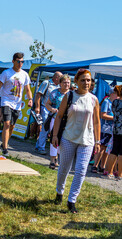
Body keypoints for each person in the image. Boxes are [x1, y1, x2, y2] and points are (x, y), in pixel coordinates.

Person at [52, 69, 100, 213]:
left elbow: (97, 122)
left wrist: (97, 141)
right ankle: (59, 192)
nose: (86, 83)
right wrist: (55, 135)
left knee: (80, 171)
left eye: (89, 80)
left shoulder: (94, 99)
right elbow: (59, 116)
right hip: (68, 138)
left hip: (87, 140)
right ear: (77, 82)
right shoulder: (69, 96)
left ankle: (71, 200)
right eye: (83, 80)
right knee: (64, 169)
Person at [0, 52, 33, 156]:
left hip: (17, 104)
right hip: (6, 101)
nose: (20, 63)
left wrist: (30, 99)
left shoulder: (24, 74)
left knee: (12, 126)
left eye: (22, 61)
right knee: (6, 123)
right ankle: (5, 149)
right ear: (13, 61)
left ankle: (4, 143)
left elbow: (28, 89)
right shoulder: (6, 73)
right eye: (18, 61)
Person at [45, 74, 70, 169]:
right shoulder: (55, 93)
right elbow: (47, 104)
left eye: (68, 82)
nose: (66, 84)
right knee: (54, 138)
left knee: (63, 140)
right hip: (55, 118)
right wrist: (52, 109)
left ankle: (58, 159)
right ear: (60, 83)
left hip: (67, 121)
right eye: (64, 82)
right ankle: (52, 159)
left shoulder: (71, 94)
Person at [35, 71, 63, 155]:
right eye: (60, 78)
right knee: (45, 128)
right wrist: (37, 107)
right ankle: (41, 147)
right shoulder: (46, 83)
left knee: (47, 128)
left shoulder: (59, 86)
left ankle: (38, 145)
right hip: (45, 108)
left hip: (53, 110)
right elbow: (38, 95)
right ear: (56, 77)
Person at [91, 89, 118, 173]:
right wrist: (115, 118)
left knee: (107, 149)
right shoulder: (106, 102)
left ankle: (102, 166)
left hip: (111, 130)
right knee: (102, 147)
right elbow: (103, 115)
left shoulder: (115, 103)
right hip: (104, 129)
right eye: (116, 94)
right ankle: (95, 165)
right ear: (112, 94)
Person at [102, 85, 122, 180]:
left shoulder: (115, 102)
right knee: (121, 153)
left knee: (114, 150)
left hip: (116, 128)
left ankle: (109, 172)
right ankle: (120, 174)